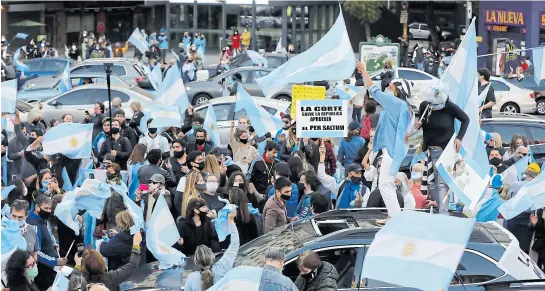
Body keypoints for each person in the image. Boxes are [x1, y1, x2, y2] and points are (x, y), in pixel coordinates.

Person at [357, 60, 414, 224]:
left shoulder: (396, 103)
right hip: (393, 149)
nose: (389, 87)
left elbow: (373, 91)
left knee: (384, 185)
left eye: (392, 87)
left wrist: (364, 70)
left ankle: (394, 217)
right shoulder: (405, 107)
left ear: (398, 91)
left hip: (392, 150)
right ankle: (393, 215)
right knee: (386, 184)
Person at [415, 82, 469, 214]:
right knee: (431, 183)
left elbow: (466, 119)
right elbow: (423, 123)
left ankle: (443, 214)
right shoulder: (425, 106)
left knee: (441, 182)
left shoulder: (449, 106)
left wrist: (459, 138)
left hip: (445, 149)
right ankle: (443, 208)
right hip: (430, 149)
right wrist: (419, 125)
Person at [184, 211, 239, 291]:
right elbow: (235, 243)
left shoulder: (191, 278)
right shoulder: (222, 267)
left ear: (196, 262)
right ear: (212, 256)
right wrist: (231, 221)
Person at [74, 231, 142, 291]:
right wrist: (136, 244)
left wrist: (77, 265)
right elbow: (132, 265)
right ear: (101, 263)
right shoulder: (111, 278)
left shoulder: (79, 283)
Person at [26, 195, 67, 290]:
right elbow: (36, 252)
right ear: (37, 207)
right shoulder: (34, 224)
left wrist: (50, 245)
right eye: (45, 208)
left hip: (47, 269)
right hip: (43, 271)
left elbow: (40, 242)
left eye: (50, 208)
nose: (48, 211)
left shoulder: (40, 220)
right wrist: (55, 261)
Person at [505, 163, 541, 254]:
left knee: (511, 248)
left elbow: (508, 199)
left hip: (513, 221)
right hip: (528, 223)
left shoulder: (515, 184)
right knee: (523, 253)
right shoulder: (537, 188)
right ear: (537, 175)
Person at [247, 141, 279, 208]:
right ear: (267, 150)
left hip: (273, 197)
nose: (276, 155)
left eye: (277, 152)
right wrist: (257, 195)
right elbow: (248, 180)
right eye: (274, 152)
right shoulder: (257, 161)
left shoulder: (278, 163)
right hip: (259, 197)